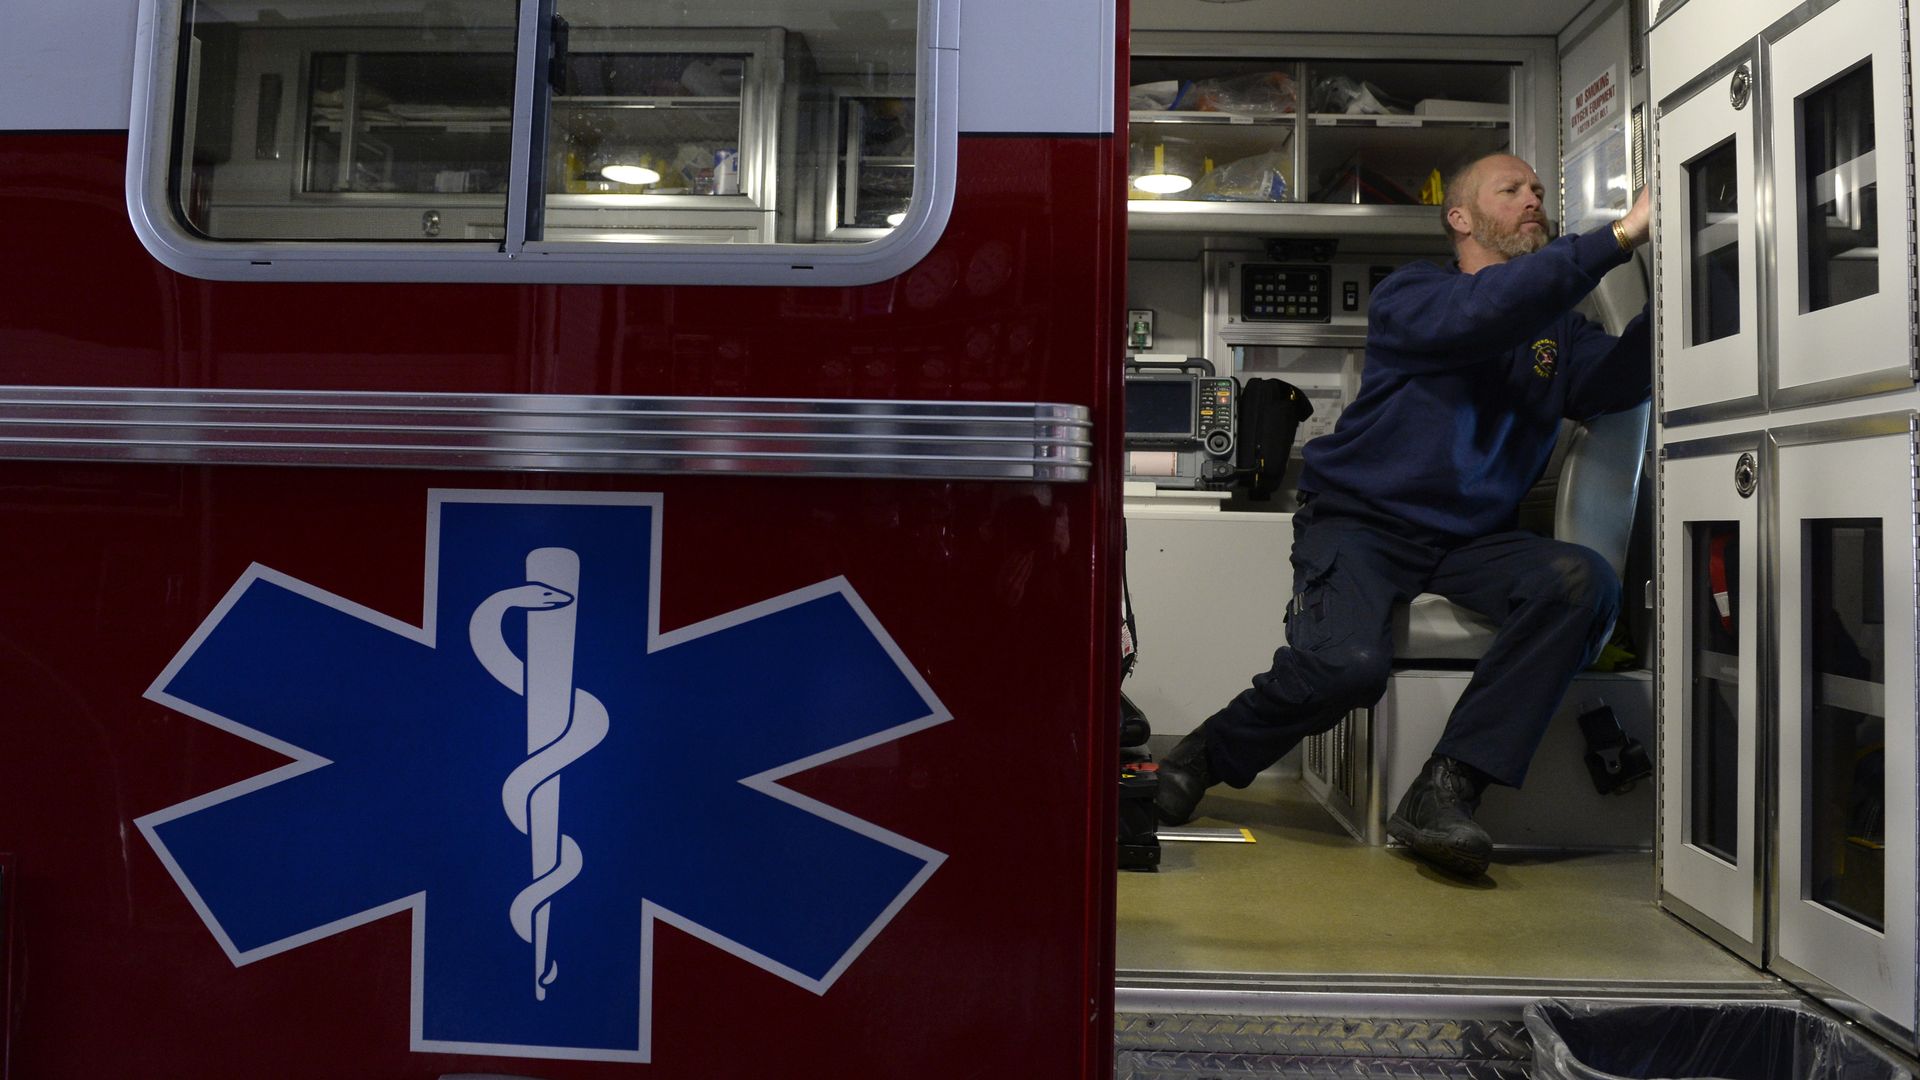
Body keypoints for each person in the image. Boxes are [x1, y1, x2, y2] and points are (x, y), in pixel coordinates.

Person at [1153, 153, 1653, 877]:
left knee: (1584, 583)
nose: (1532, 201)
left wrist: (1680, 280)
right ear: (1461, 218)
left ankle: (1446, 788)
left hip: (1472, 539)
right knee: (1347, 668)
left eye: (1538, 192)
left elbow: (1618, 381)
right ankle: (1202, 757)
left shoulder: (1559, 333)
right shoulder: (1414, 295)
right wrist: (1619, 236)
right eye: (1510, 191)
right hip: (1362, 522)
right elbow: (1487, 312)